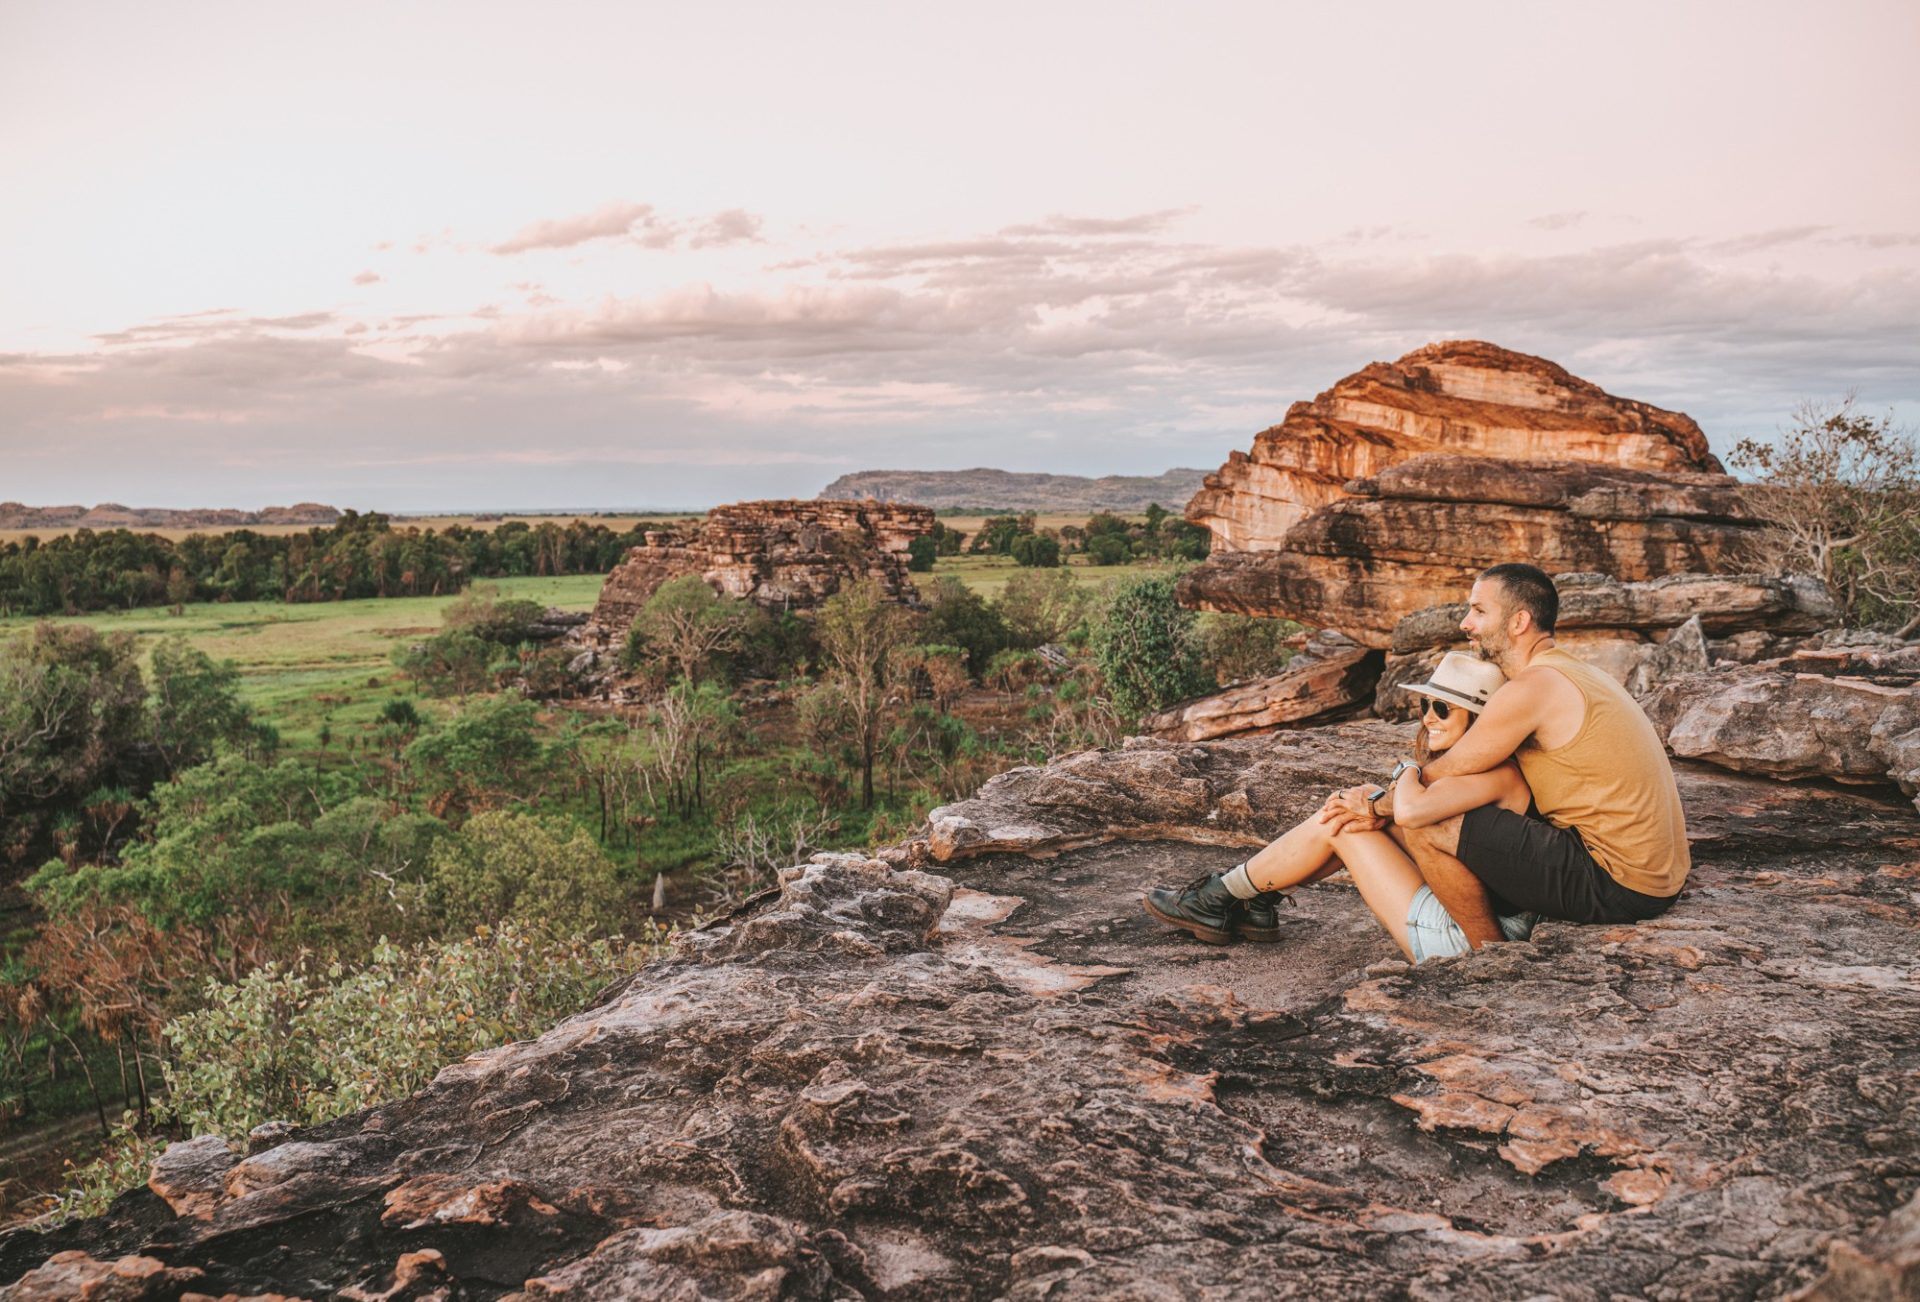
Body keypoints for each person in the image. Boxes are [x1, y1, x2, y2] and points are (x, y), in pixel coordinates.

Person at [1141, 652, 1539, 963]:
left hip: (1469, 938)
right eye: (1425, 705)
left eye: (1443, 709)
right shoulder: (1483, 769)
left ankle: (1224, 897)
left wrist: (1408, 772)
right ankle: (1252, 899)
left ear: (1481, 720)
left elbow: (1410, 809)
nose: (1428, 718)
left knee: (1348, 825)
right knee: (1360, 801)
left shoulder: (1498, 775)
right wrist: (1377, 796)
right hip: (1466, 911)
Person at [1394, 563, 1689, 949]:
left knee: (1429, 823)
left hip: (1619, 881)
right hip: (1654, 877)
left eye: (1479, 611)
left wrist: (1385, 793)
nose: (1466, 623)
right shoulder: (1570, 671)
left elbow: (1441, 775)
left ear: (1519, 621)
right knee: (1411, 812)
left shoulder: (1534, 686)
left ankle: (1489, 954)